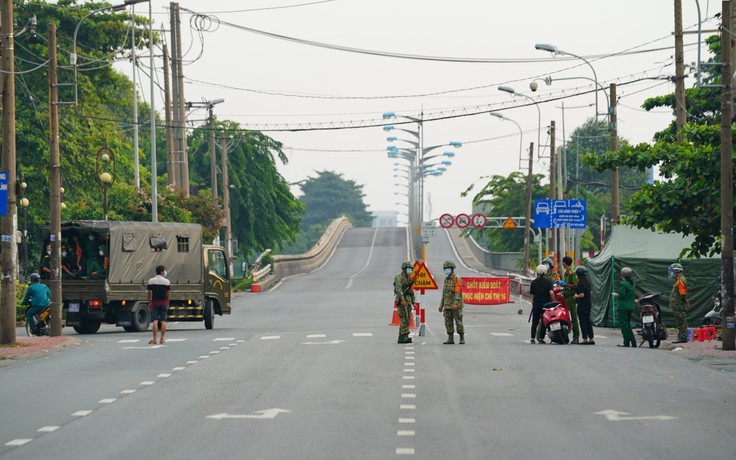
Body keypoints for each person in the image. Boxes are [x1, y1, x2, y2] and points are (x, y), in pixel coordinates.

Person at [439, 260, 465, 344]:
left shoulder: (457, 279)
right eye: (445, 269)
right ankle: (450, 338)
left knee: (458, 322)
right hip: (447, 305)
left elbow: (458, 292)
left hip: (455, 306)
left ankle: (461, 338)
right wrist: (441, 305)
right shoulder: (446, 280)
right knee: (448, 322)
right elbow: (444, 293)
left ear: (452, 269)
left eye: (448, 268)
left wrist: (455, 303)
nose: (447, 270)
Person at [529, 264, 554, 344]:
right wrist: (554, 301)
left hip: (536, 304)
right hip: (546, 305)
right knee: (544, 321)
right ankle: (541, 338)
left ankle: (532, 338)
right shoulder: (549, 282)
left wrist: (534, 302)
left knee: (535, 321)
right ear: (545, 272)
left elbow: (532, 294)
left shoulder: (533, 282)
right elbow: (551, 293)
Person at [612, 267, 637, 348]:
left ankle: (626, 342)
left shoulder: (623, 283)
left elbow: (622, 295)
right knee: (628, 325)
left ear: (622, 275)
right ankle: (633, 342)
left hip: (623, 307)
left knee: (624, 326)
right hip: (630, 306)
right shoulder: (632, 283)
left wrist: (616, 295)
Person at [147, 265, 171, 345]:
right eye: (164, 271)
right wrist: (168, 301)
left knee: (155, 321)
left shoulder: (151, 281)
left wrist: (149, 301)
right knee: (163, 321)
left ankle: (154, 339)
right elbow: (168, 293)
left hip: (155, 303)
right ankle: (162, 339)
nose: (165, 272)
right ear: (161, 272)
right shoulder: (166, 282)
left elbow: (149, 292)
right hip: (163, 303)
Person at [394, 261, 416, 344]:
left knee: (407, 319)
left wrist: (413, 302)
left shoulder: (409, 278)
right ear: (404, 269)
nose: (409, 270)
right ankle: (405, 336)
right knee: (403, 318)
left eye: (411, 269)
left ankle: (401, 337)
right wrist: (402, 299)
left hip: (408, 301)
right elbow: (398, 289)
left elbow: (411, 291)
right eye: (408, 268)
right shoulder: (399, 277)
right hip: (401, 301)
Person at [559, 256, 580, 344]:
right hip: (565, 296)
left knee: (573, 316)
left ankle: (576, 336)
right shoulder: (566, 273)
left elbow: (575, 286)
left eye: (562, 262)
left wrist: (565, 284)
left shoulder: (571, 273)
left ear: (564, 263)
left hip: (571, 297)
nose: (562, 264)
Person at [574, 265, 595, 344]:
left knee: (582, 321)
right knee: (588, 321)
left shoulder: (580, 283)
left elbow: (581, 295)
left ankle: (585, 338)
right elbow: (590, 293)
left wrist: (576, 296)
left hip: (582, 304)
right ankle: (591, 338)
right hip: (588, 303)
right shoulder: (587, 282)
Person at [669, 262, 688, 343]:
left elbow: (683, 293)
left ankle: (682, 337)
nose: (672, 274)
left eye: (673, 272)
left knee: (681, 321)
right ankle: (681, 336)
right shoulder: (679, 280)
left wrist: (684, 302)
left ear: (677, 272)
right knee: (679, 321)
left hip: (678, 305)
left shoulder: (680, 281)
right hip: (677, 305)